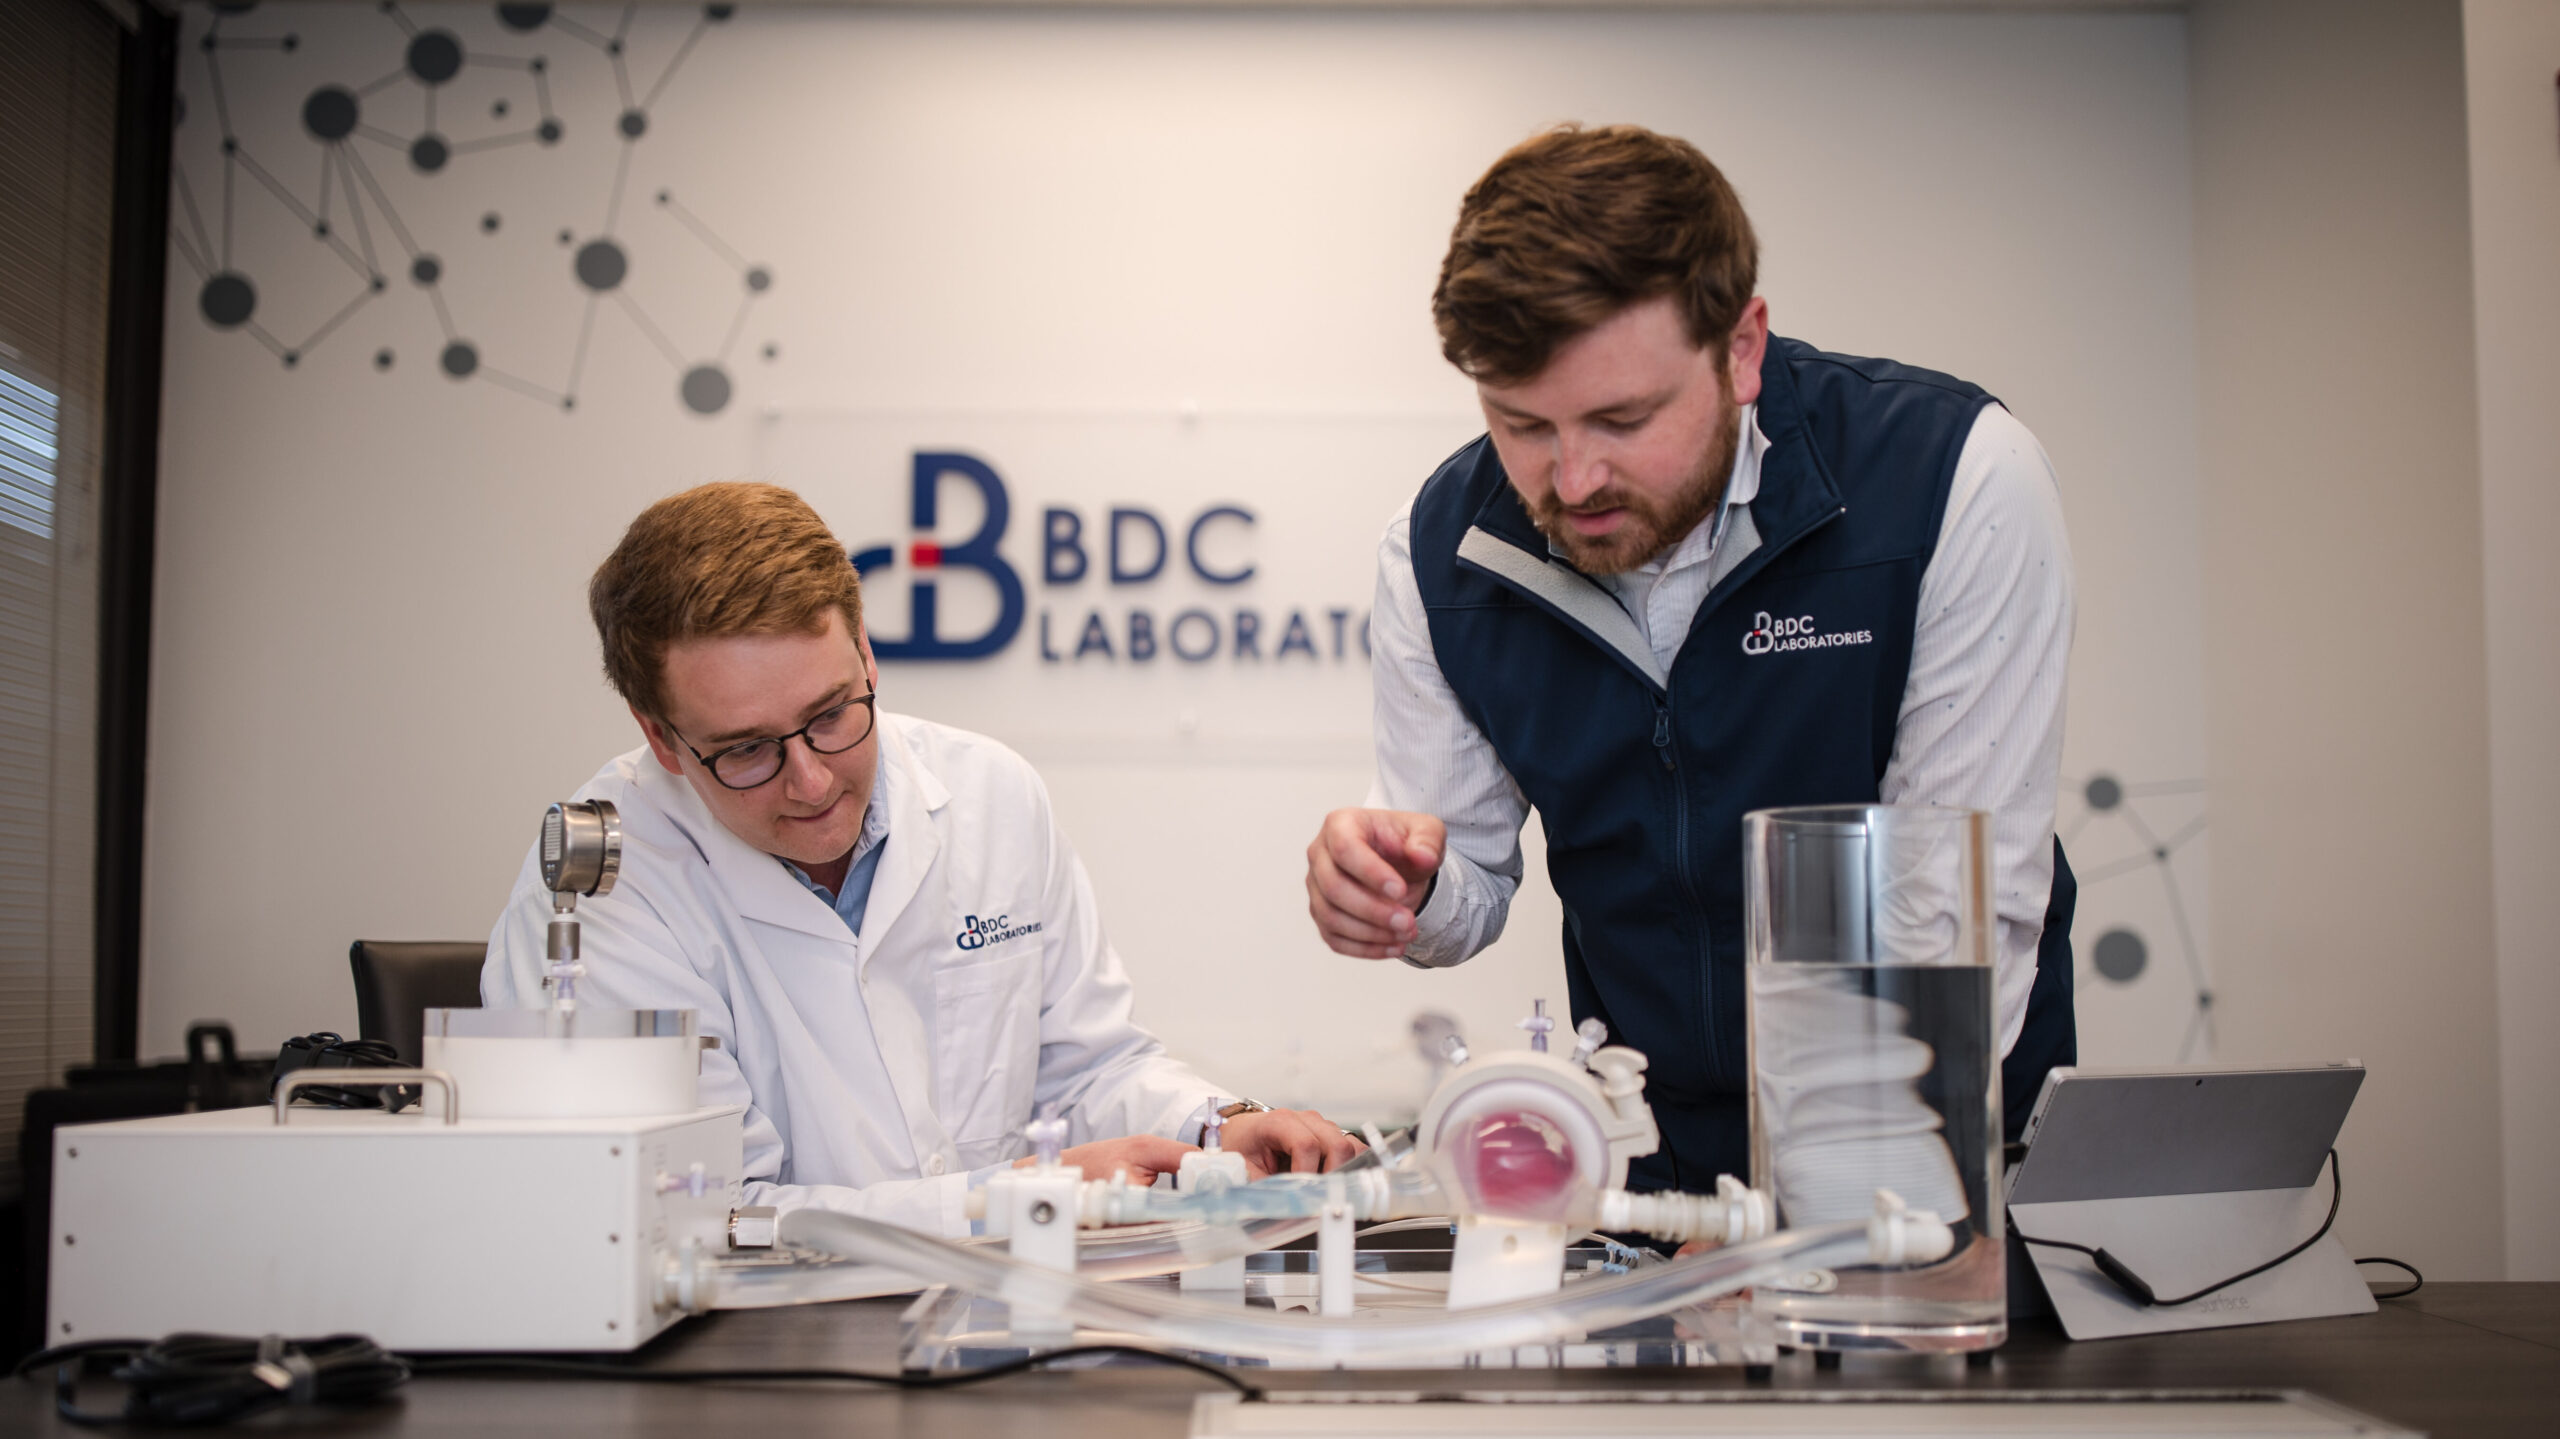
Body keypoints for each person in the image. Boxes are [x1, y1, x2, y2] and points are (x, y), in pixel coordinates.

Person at [1305, 124, 2077, 1194]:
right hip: (1659, 1185)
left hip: (1938, 1160)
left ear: (1742, 345)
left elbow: (1951, 914)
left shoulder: (1950, 479)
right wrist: (1409, 887)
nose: (1572, 480)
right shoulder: (1440, 548)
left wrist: (1852, 1224)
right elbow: (1468, 887)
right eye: (1520, 424)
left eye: (1623, 418)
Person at [488, 482, 1355, 1235]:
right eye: (746, 750)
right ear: (660, 737)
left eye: (832, 712)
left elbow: (1089, 1067)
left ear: (865, 651)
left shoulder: (988, 794)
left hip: (999, 1331)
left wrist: (1216, 1125)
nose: (812, 778)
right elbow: (701, 1218)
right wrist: (1013, 1201)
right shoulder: (601, 886)